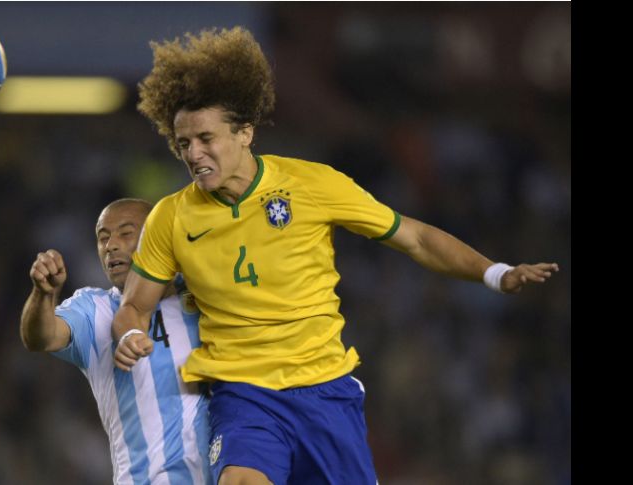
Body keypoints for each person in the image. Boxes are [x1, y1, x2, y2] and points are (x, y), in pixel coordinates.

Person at [112, 27, 559, 485]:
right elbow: (134, 305)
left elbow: (416, 239)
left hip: (324, 393)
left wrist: (494, 272)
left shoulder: (312, 184)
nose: (194, 153)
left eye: (206, 138)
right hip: (244, 397)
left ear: (245, 132)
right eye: (183, 143)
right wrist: (129, 334)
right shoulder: (171, 217)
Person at [20, 198, 212, 485]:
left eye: (126, 233)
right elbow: (40, 337)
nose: (110, 245)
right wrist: (42, 294)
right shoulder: (93, 309)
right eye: (103, 237)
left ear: (159, 236)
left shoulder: (202, 294)